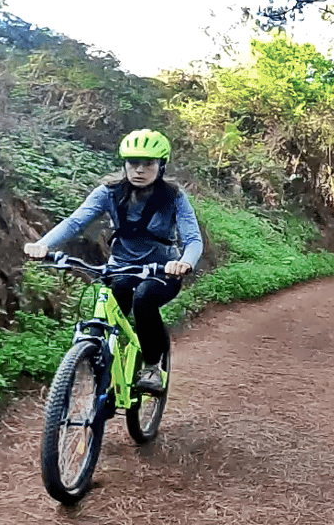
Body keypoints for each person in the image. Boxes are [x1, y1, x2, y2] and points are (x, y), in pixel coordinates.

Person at [24, 129, 202, 391]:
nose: (139, 170)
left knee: (144, 299)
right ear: (125, 164)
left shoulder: (173, 197)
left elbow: (193, 239)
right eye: (133, 163)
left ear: (161, 165)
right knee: (111, 298)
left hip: (162, 271)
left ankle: (152, 367)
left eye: (148, 164)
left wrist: (184, 262)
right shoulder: (109, 192)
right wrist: (43, 245)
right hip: (121, 267)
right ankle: (100, 361)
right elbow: (75, 222)